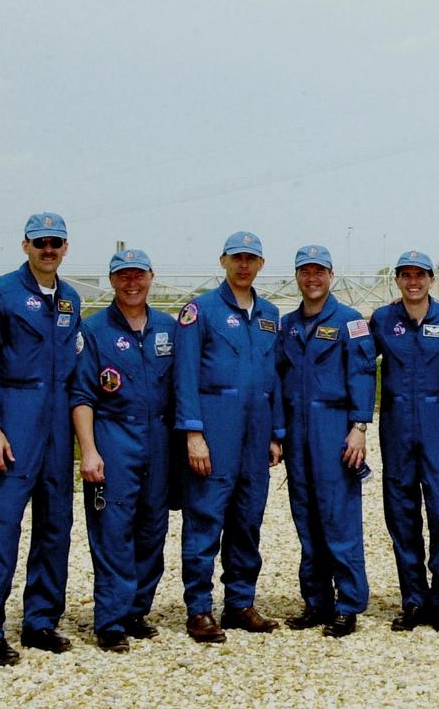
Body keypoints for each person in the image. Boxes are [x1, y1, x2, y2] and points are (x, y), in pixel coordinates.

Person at [0, 212, 82, 665]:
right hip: (16, 417)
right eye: (40, 243)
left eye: (55, 242)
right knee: (4, 525)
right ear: (25, 246)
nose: (47, 250)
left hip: (58, 424)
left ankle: (40, 621)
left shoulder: (70, 298)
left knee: (56, 525)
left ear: (66, 248)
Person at [174, 231, 284, 643]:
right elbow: (184, 376)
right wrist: (193, 434)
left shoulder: (270, 314)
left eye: (251, 259)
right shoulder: (199, 311)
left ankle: (240, 602)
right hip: (215, 431)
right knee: (205, 520)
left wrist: (276, 434)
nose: (243, 265)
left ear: (260, 264)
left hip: (256, 435)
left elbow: (275, 378)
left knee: (247, 520)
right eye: (236, 258)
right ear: (222, 261)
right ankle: (199, 609)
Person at [71, 249, 176, 653]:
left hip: (160, 440)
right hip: (115, 437)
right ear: (112, 280)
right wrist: (89, 451)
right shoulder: (93, 331)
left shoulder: (168, 327)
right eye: (123, 277)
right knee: (113, 530)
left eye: (138, 276)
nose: (131, 284)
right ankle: (110, 620)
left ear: (151, 277)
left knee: (153, 528)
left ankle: (136, 610)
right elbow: (81, 395)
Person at [276, 245, 376, 638]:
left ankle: (348, 603)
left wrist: (360, 426)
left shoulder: (350, 321)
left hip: (335, 427)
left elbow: (364, 373)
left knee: (339, 518)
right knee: (307, 518)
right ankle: (316, 601)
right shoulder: (287, 325)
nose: (312, 279)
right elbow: (278, 379)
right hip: (298, 432)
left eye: (319, 272)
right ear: (297, 276)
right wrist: (277, 433)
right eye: (305, 272)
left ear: (331, 276)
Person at [369, 251, 439, 634]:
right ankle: (412, 600)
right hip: (396, 429)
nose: (413, 282)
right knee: (402, 516)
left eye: (420, 275)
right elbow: (353, 355)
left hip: (438, 430)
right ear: (397, 280)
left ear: (431, 279)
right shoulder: (382, 319)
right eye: (405, 275)